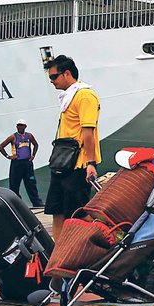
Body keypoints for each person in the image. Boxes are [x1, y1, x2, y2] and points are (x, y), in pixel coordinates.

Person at [43, 55, 100, 242]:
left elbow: (88, 131)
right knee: (57, 211)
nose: (51, 81)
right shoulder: (69, 96)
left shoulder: (84, 95)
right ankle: (58, 255)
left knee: (78, 213)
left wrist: (91, 163)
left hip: (78, 164)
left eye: (54, 77)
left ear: (67, 73)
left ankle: (105, 238)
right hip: (62, 163)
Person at [0, 119, 43, 207]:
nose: (20, 127)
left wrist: (33, 155)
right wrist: (8, 156)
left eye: (21, 125)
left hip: (27, 163)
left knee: (31, 183)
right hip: (17, 163)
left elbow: (36, 144)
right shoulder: (13, 137)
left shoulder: (29, 136)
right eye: (18, 125)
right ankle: (16, 204)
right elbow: (1, 146)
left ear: (25, 126)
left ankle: (37, 202)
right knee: (14, 184)